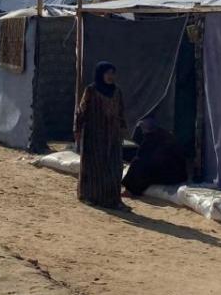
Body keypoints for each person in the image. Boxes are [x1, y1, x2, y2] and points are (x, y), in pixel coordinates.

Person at [74, 61, 127, 208]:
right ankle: (91, 196)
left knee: (114, 167)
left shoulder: (117, 92)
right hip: (94, 135)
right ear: (100, 74)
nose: (110, 77)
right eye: (107, 73)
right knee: (95, 167)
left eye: (112, 73)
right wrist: (77, 130)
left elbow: (121, 112)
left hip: (113, 136)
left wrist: (122, 129)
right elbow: (82, 111)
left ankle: (113, 199)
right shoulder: (91, 90)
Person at [122, 116, 187, 197]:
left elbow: (142, 159)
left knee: (138, 165)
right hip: (178, 174)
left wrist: (129, 186)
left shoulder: (152, 138)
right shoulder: (165, 135)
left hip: (170, 175)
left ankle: (130, 191)